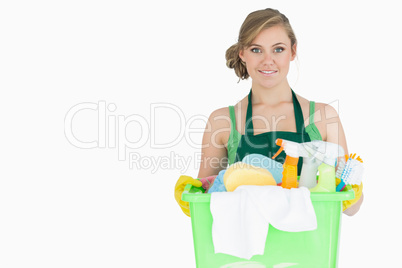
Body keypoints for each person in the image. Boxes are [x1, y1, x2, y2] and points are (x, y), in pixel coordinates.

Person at [175, 8, 363, 216]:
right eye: (256, 50)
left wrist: (352, 186)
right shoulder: (222, 122)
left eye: (278, 49)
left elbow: (350, 208)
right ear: (242, 53)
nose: (267, 60)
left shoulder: (324, 117)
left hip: (309, 245)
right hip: (243, 246)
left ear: (293, 52)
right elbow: (203, 202)